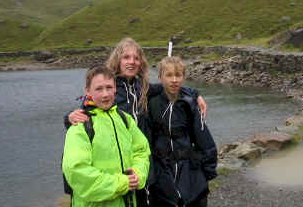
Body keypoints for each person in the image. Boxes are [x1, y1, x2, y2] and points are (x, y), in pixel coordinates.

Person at [66, 38, 208, 207]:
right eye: (126, 57)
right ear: (117, 60)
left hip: (142, 164)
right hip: (116, 166)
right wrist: (68, 117)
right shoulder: (109, 88)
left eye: (136, 58)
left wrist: (195, 94)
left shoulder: (143, 88)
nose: (131, 61)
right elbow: (86, 112)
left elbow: (170, 85)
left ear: (141, 63)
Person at [62, 65, 150, 207]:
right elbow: (76, 171)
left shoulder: (125, 119)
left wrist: (138, 174)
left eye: (109, 87)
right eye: (99, 89)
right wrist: (123, 183)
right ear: (88, 91)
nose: (105, 94)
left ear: (115, 88)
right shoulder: (80, 125)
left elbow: (142, 151)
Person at [147, 56, 217, 207]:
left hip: (188, 165)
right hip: (162, 168)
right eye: (169, 75)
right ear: (160, 77)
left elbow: (203, 137)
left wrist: (208, 170)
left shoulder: (190, 103)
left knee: (194, 199)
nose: (174, 80)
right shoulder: (151, 103)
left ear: (184, 77)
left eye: (178, 75)